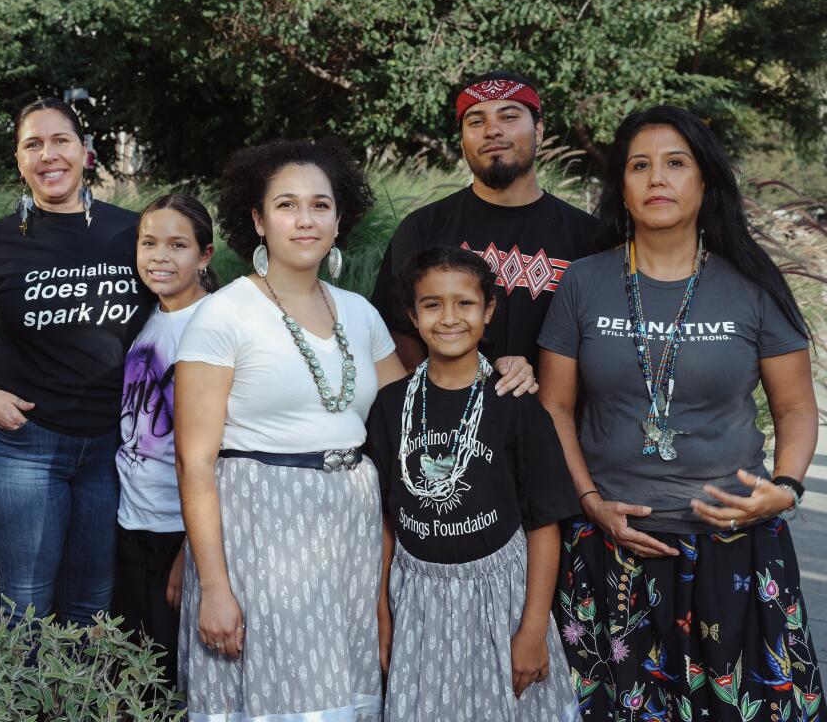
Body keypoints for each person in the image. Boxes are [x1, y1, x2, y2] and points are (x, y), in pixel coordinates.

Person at [538, 105, 820, 720]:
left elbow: (796, 406)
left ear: (706, 182)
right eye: (640, 165)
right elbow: (555, 405)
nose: (657, 179)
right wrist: (588, 500)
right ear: (622, 186)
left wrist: (787, 488)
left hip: (733, 544)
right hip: (610, 542)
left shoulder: (752, 284)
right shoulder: (584, 282)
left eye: (675, 163)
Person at [175, 138, 406, 721]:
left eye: (320, 205)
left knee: (340, 699)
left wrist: (498, 366)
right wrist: (215, 587)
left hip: (351, 535)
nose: (305, 220)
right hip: (259, 534)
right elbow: (194, 462)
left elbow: (416, 412)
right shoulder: (222, 314)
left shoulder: (361, 313)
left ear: (339, 216)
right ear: (257, 219)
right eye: (286, 205)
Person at [0, 98, 149, 627]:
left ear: (86, 152)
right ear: (19, 160)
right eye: (33, 144)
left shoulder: (133, 234)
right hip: (23, 448)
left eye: (60, 141)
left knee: (94, 604)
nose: (48, 155)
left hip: (115, 447)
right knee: (24, 606)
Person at [366, 247, 579, 721]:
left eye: (464, 303)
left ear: (488, 312)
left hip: (500, 601)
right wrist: (382, 611)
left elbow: (544, 524)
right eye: (432, 304)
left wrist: (533, 631)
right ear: (412, 315)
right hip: (418, 600)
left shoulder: (516, 401)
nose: (449, 318)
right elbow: (385, 518)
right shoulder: (390, 405)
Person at [371, 70, 597, 384]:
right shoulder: (424, 228)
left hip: (548, 421)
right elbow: (392, 329)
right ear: (463, 139)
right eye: (476, 121)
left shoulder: (587, 236)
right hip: (447, 423)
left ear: (540, 130)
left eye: (508, 116)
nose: (492, 130)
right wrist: (444, 388)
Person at [113, 193, 217, 683]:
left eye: (178, 245)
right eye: (149, 243)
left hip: (180, 536)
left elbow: (225, 452)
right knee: (140, 679)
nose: (160, 256)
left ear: (205, 255)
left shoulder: (214, 326)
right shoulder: (149, 318)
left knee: (175, 684)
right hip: (133, 523)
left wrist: (189, 554)